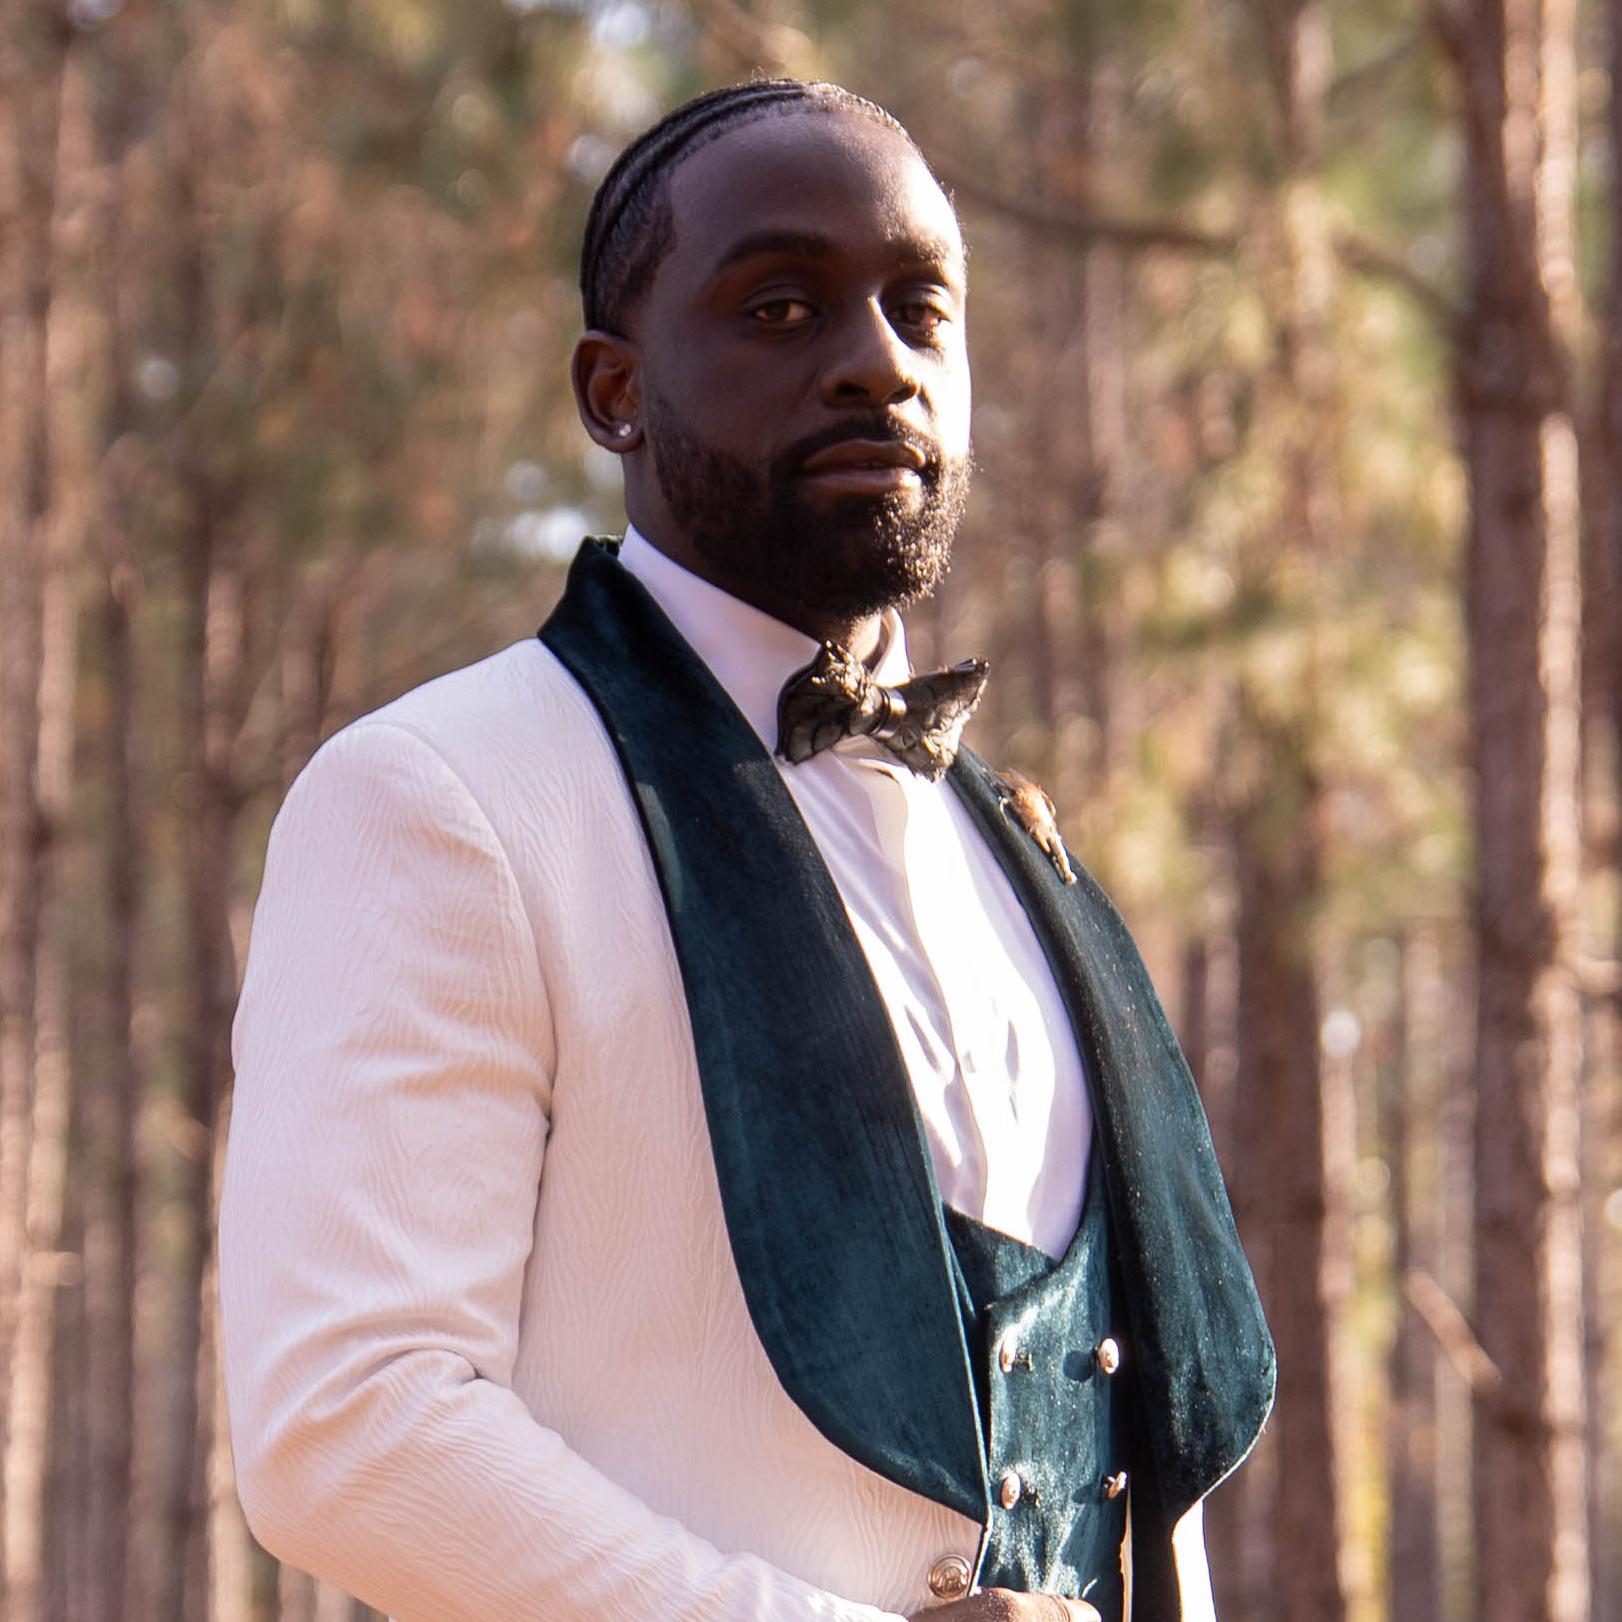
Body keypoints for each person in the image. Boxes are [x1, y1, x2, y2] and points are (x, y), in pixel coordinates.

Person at [219, 79, 1273, 1622]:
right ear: (614, 392)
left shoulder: (1024, 855)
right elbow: (346, 1424)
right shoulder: (441, 798)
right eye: (782, 307)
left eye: (922, 312)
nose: (879, 363)